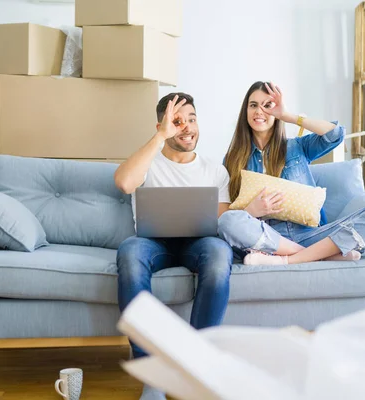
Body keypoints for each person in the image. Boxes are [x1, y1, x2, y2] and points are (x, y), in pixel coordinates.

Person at [114, 93, 233, 400]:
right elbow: (125, 183)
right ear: (162, 126)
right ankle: (151, 368)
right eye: (177, 122)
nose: (187, 127)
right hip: (153, 242)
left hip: (199, 241)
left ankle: (195, 362)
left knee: (220, 254)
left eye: (191, 119)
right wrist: (160, 137)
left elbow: (221, 220)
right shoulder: (148, 161)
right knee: (129, 253)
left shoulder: (214, 170)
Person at [218, 81, 365, 265]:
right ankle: (318, 255)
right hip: (266, 241)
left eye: (267, 105)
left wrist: (288, 116)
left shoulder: (297, 147)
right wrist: (251, 211)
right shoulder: (232, 159)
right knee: (228, 221)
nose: (259, 111)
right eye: (253, 105)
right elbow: (225, 218)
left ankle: (286, 260)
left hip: (312, 236)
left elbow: (335, 135)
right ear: (245, 111)